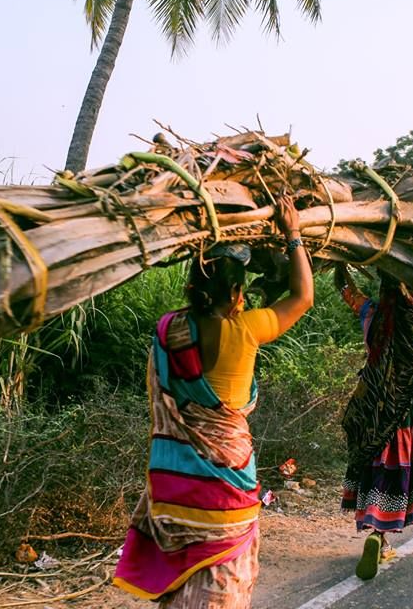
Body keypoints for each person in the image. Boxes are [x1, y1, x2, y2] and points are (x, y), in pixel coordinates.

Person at [113, 195, 313, 608]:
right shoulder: (245, 330)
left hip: (176, 488)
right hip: (224, 487)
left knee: (183, 577)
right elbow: (302, 297)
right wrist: (293, 234)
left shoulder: (168, 329)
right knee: (222, 576)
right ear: (238, 292)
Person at [335, 265, 413, 581]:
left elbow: (344, 288)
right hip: (405, 406)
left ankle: (376, 532)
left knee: (375, 460)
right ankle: (380, 535)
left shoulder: (371, 312)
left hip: (372, 399)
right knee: (397, 463)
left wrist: (339, 267)